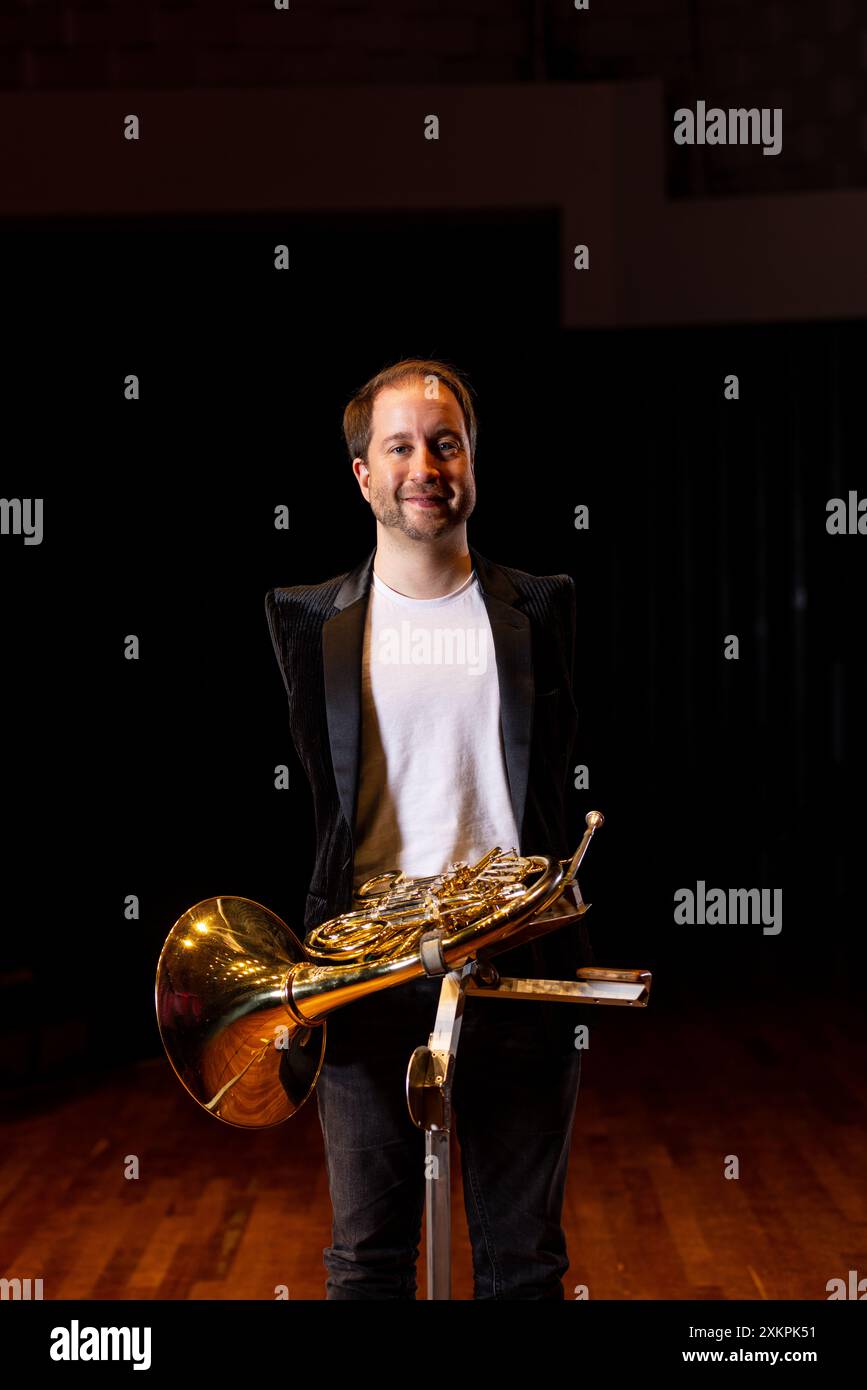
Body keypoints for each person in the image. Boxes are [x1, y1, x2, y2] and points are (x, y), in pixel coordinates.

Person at [264, 358, 593, 1299]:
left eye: (445, 443)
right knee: (364, 1263)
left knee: (524, 1264)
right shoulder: (305, 622)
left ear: (472, 461)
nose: (425, 464)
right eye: (398, 445)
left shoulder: (540, 607)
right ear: (362, 474)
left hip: (518, 964)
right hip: (363, 978)